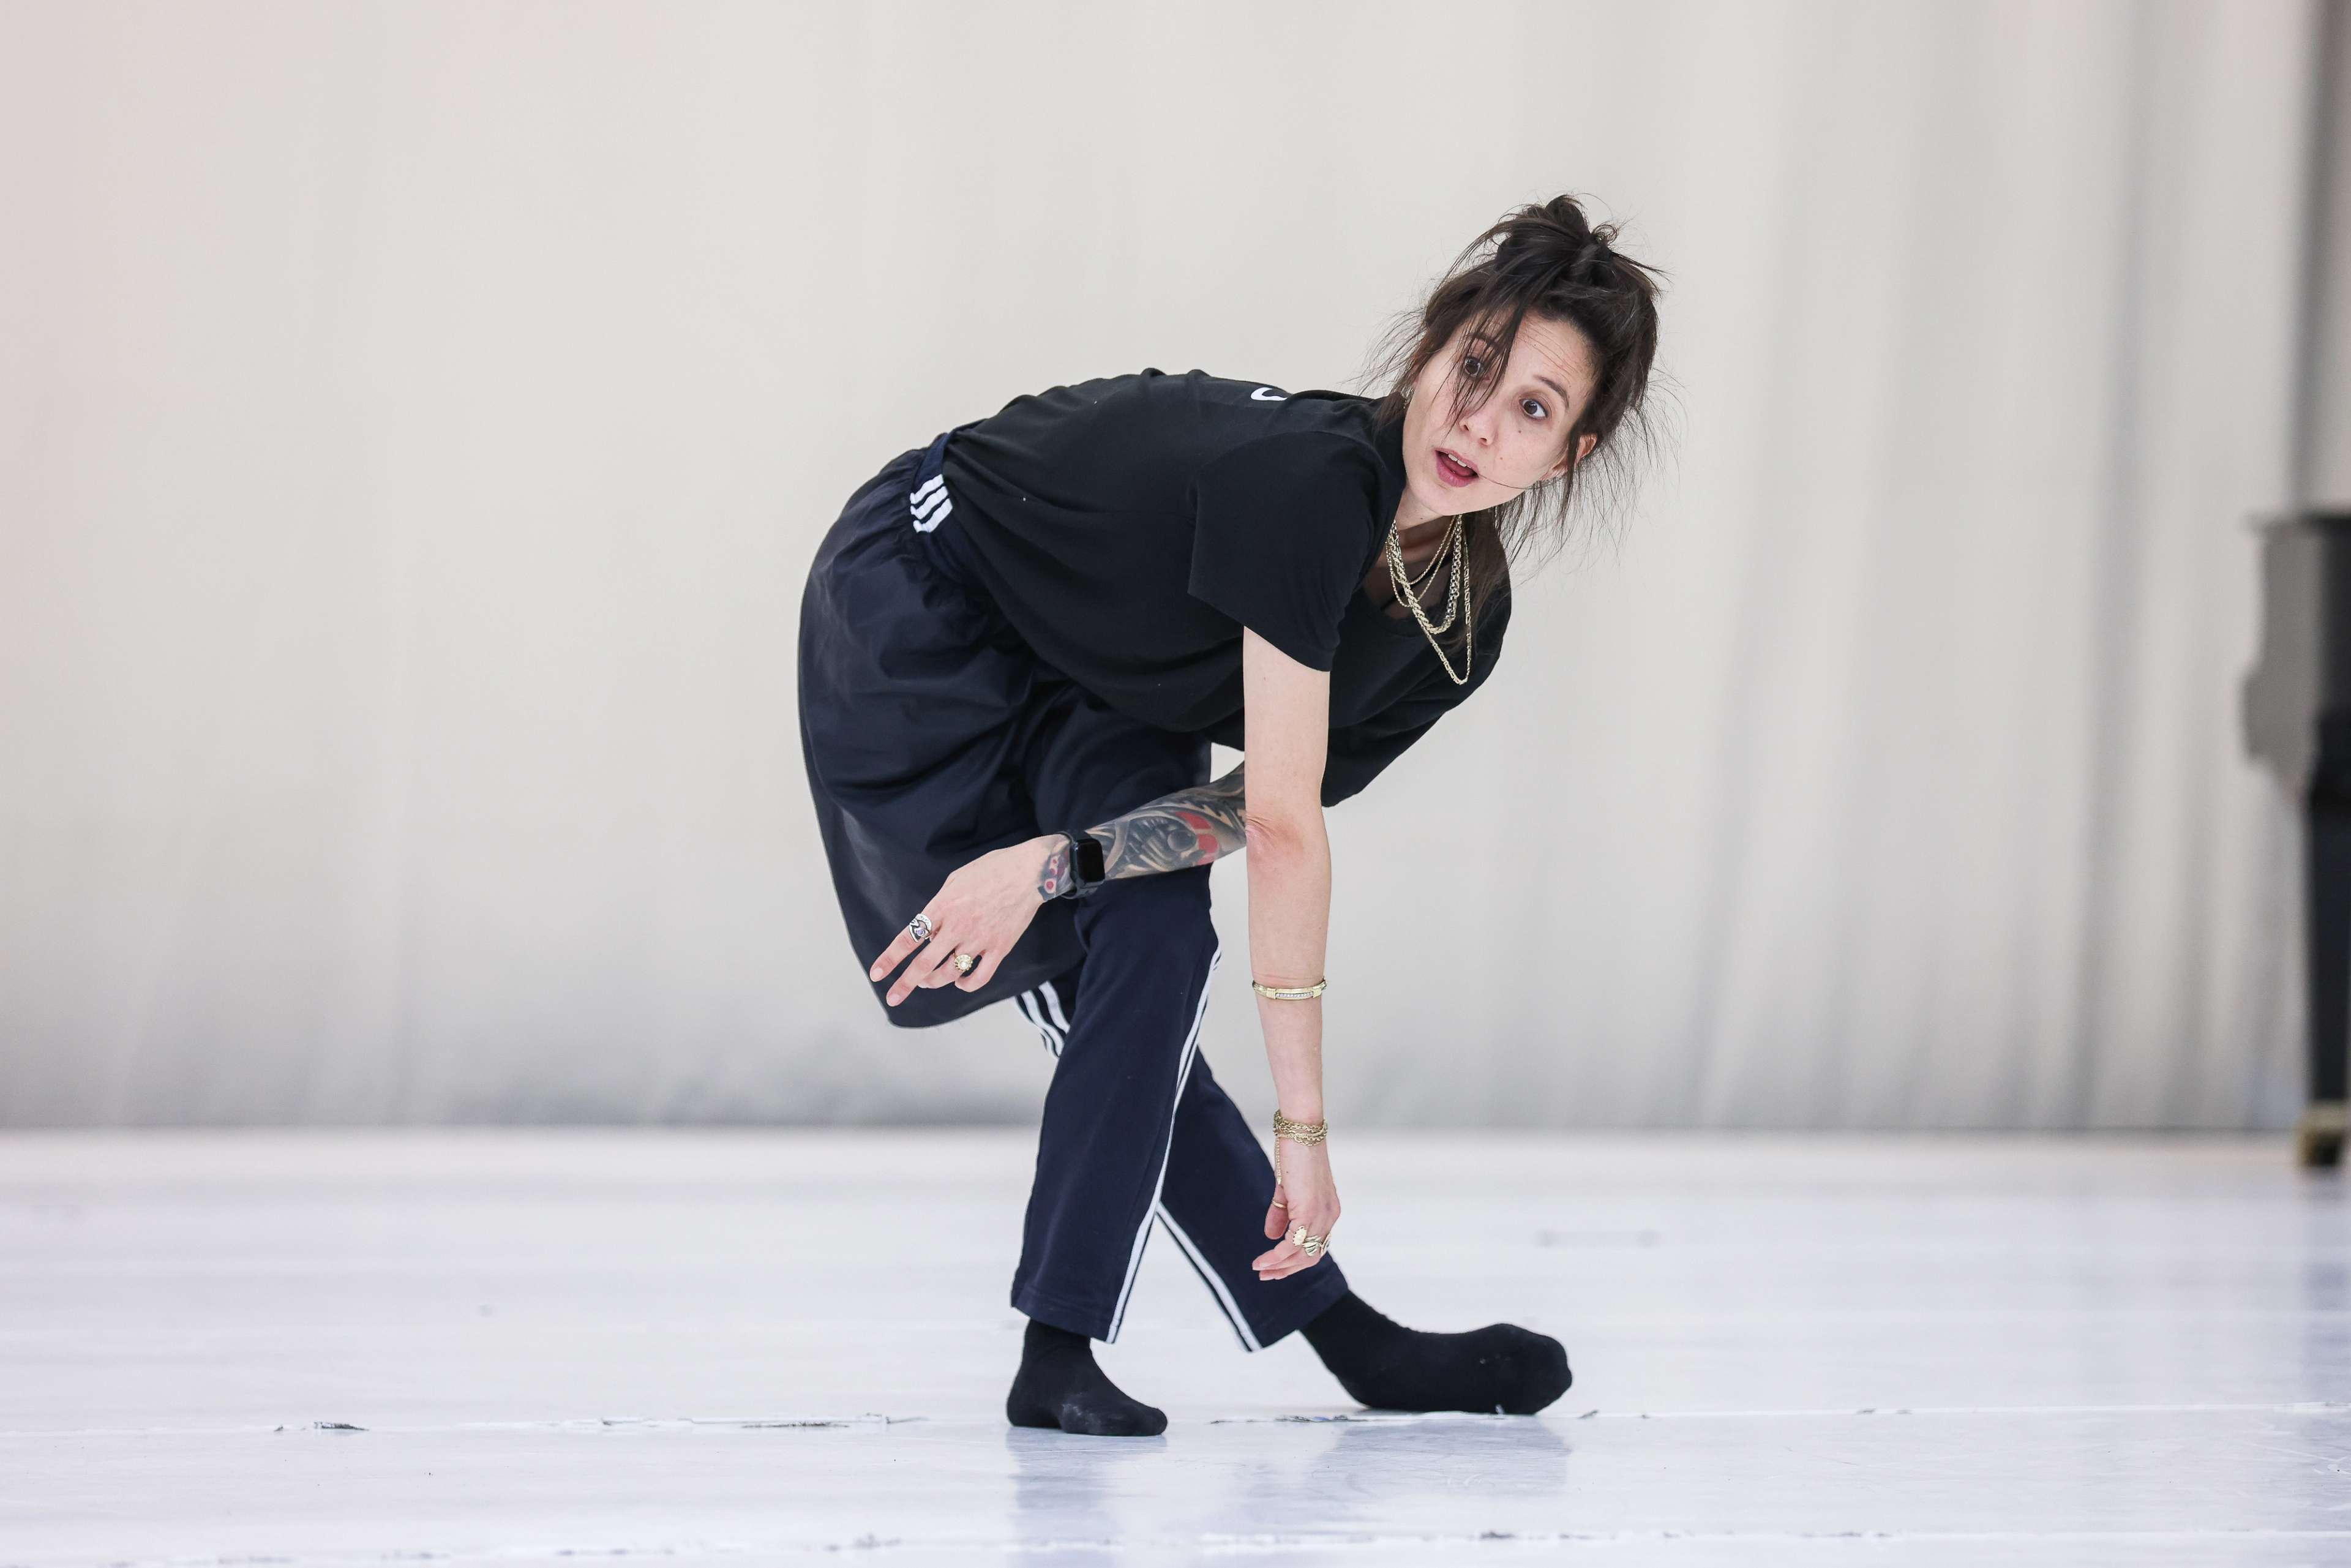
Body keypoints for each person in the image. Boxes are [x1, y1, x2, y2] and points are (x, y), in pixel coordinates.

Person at [796, 195, 1663, 1436]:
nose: (1479, 421)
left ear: (1570, 453)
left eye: (1534, 407)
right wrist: (1301, 1132)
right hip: (934, 599)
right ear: (1429, 349)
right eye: (1475, 366)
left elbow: (1250, 808)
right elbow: (1288, 834)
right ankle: (1320, 1336)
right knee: (1089, 970)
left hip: (1115, 672)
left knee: (1154, 937)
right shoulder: (1312, 487)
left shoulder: (1458, 623)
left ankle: (1078, 1359)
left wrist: (1062, 860)